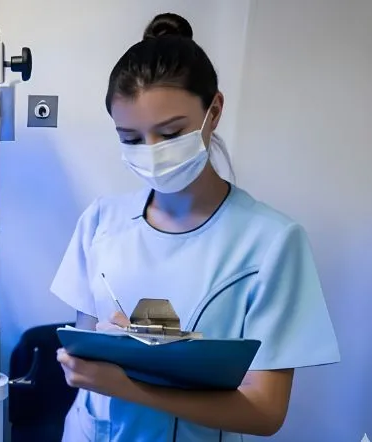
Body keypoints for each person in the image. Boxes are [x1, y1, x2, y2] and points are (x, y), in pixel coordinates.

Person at [51, 12, 340, 442]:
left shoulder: (270, 244)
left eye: (170, 134)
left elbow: (265, 412)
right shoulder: (100, 221)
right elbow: (82, 356)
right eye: (130, 138)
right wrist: (93, 359)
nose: (150, 153)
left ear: (214, 111)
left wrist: (129, 386)